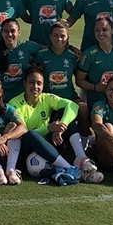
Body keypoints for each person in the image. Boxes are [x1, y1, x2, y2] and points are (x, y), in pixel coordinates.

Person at [9, 65, 103, 184]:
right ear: (24, 84)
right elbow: (22, 133)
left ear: (43, 85)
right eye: (31, 82)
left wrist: (60, 128)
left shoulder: (46, 98)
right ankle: (71, 169)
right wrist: (49, 128)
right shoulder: (15, 104)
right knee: (31, 135)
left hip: (48, 144)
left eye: (39, 83)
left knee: (64, 113)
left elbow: (73, 105)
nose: (35, 87)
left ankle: (80, 158)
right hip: (25, 149)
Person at [33, 21, 91, 149]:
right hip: (49, 100)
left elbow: (80, 78)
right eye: (55, 35)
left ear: (68, 37)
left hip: (69, 97)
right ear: (50, 36)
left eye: (62, 36)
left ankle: (84, 142)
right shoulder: (41, 55)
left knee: (84, 109)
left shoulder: (73, 56)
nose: (59, 39)